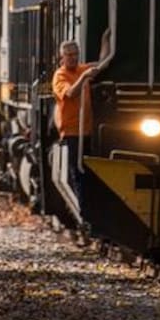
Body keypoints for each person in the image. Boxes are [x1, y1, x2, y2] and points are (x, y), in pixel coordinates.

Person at [51, 39, 98, 200]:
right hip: (72, 132)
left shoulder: (81, 69)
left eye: (75, 54)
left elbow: (103, 63)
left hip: (86, 130)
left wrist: (107, 39)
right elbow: (71, 93)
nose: (72, 58)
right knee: (77, 172)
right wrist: (84, 76)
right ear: (62, 57)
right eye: (69, 55)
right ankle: (83, 213)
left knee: (88, 173)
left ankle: (89, 210)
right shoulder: (60, 75)